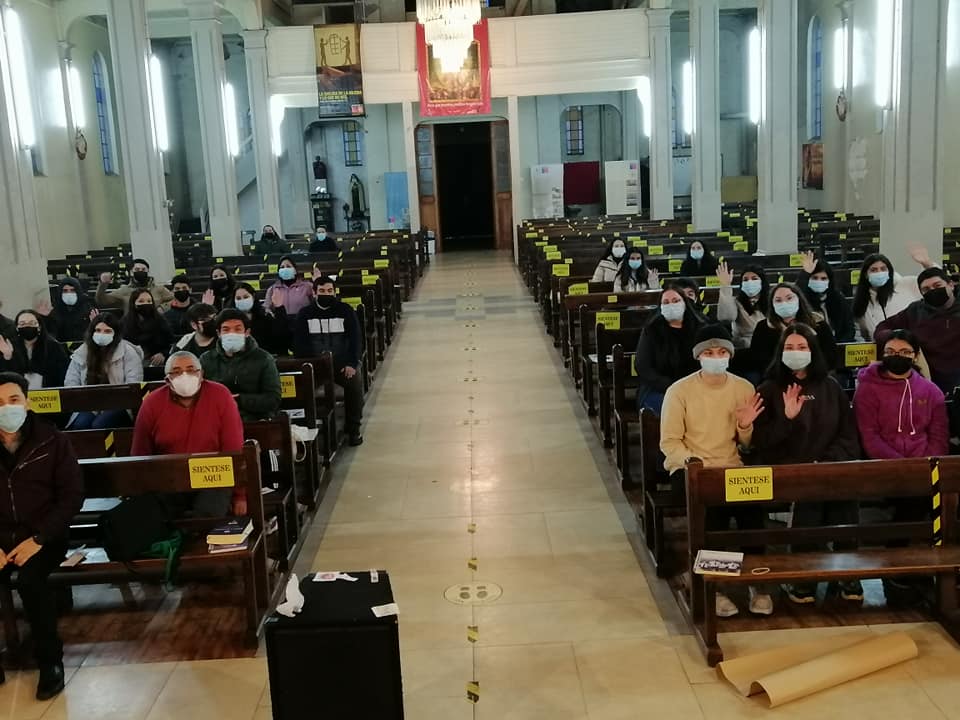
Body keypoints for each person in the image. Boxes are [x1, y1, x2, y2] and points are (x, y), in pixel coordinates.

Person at [660, 325, 771, 617]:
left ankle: (756, 582)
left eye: (722, 352)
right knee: (714, 516)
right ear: (698, 356)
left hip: (732, 467)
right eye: (709, 353)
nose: (716, 357)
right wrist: (695, 464)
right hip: (691, 468)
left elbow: (747, 444)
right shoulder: (679, 391)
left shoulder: (743, 388)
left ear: (730, 355)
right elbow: (669, 442)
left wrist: (745, 426)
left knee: (753, 514)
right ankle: (715, 586)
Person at [752, 323, 862, 604]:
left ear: (813, 351)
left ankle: (848, 572)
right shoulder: (768, 389)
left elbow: (848, 435)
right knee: (809, 500)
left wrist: (825, 462)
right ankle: (804, 578)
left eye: (802, 347)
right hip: (791, 471)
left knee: (844, 499)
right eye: (789, 347)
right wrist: (786, 421)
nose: (796, 352)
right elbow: (762, 442)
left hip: (829, 467)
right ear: (780, 352)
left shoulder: (831, 387)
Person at [0, 371, 83, 700]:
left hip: (45, 536)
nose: (6, 408)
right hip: (1, 538)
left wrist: (38, 539)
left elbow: (71, 497)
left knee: (31, 581)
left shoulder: (52, 441)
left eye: (13, 400)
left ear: (27, 402)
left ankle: (50, 663)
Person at [854, 329, 949, 600]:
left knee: (929, 497)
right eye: (891, 352)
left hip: (924, 465)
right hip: (884, 464)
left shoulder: (930, 391)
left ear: (915, 356)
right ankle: (902, 567)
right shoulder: (867, 389)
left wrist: (923, 464)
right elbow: (870, 437)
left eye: (905, 352)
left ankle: (921, 565)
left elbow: (939, 436)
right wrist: (902, 466)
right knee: (916, 500)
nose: (898, 356)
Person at [132, 352, 245, 517]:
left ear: (201, 374)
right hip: (169, 480)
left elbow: (234, 447)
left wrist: (240, 496)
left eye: (191, 370)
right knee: (155, 516)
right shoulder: (152, 403)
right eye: (176, 372)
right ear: (167, 380)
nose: (185, 375)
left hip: (213, 477)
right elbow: (140, 453)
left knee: (207, 515)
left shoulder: (220, 395)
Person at [294, 276, 364, 446]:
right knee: (299, 389)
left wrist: (352, 363)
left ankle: (353, 429)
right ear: (314, 293)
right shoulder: (305, 314)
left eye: (330, 290)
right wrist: (311, 364)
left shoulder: (345, 310)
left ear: (334, 292)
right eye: (322, 291)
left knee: (354, 383)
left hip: (341, 365)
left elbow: (355, 340)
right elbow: (300, 344)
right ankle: (307, 431)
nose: (326, 294)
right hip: (314, 366)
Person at [875, 267, 960, 394]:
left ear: (951, 285)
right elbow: (882, 327)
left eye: (937, 285)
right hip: (927, 381)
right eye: (926, 289)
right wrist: (897, 339)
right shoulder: (915, 311)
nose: (933, 291)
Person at [200, 309, 281, 422]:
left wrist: (240, 400)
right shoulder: (207, 359)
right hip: (217, 419)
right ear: (219, 334)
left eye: (237, 329)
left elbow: (273, 399)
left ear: (247, 332)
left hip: (255, 420)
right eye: (226, 330)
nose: (232, 333)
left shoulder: (264, 359)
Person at [64, 313, 143, 429]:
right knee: (80, 424)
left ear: (115, 333)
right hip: (88, 404)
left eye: (107, 331)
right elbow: (71, 381)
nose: (102, 334)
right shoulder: (82, 351)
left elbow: (133, 383)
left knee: (99, 425)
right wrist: (81, 401)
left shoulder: (128, 352)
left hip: (120, 404)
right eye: (98, 330)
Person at [634, 289, 705, 414]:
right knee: (675, 408)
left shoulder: (699, 328)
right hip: (658, 389)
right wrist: (671, 386)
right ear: (660, 307)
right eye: (666, 302)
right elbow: (642, 366)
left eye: (676, 301)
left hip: (694, 387)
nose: (671, 305)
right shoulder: (651, 330)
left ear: (684, 303)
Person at [745, 282, 837, 378]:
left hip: (815, 376)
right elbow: (759, 359)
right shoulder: (763, 327)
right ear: (772, 305)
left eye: (789, 298)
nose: (784, 303)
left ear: (799, 299)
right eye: (778, 300)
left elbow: (830, 355)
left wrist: (807, 372)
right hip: (777, 378)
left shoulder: (818, 323)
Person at [852, 252, 927, 342]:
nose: (879, 272)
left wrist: (927, 263)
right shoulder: (862, 302)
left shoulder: (907, 284)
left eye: (883, 269)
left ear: (889, 272)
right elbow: (862, 334)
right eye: (874, 270)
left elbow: (933, 282)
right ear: (866, 275)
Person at [0, 311, 70, 389]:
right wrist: (7, 357)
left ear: (39, 327)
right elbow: (6, 377)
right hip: (19, 392)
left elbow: (63, 374)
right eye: (22, 324)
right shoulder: (10, 346)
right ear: (16, 328)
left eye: (32, 323)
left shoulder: (53, 346)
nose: (27, 326)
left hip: (49, 393)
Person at [795, 251, 855, 342]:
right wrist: (805, 273)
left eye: (823, 278)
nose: (819, 281)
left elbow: (849, 329)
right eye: (815, 278)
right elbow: (798, 293)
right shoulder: (804, 300)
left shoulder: (838, 299)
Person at [716, 262, 769, 350]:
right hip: (744, 348)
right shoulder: (736, 302)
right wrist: (725, 286)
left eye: (754, 279)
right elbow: (726, 317)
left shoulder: (771, 300)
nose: (750, 282)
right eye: (745, 280)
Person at [96, 258, 174, 312]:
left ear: (148, 271)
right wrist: (103, 284)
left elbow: (175, 299)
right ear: (131, 272)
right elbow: (102, 300)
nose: (140, 271)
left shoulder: (159, 289)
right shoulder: (123, 291)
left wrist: (163, 308)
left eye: (143, 269)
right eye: (137, 269)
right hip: (132, 326)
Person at [121, 289, 174, 368]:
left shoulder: (160, 321)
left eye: (149, 301)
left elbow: (170, 343)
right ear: (134, 304)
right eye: (141, 301)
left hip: (157, 363)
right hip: (131, 362)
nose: (146, 304)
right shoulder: (124, 323)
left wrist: (163, 354)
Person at [233, 283, 289, 355]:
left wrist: (279, 308)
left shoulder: (265, 317)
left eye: (246, 297)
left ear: (253, 297)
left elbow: (281, 337)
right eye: (238, 298)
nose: (242, 300)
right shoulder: (230, 321)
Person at [36, 278, 96, 342]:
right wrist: (44, 318)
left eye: (72, 290)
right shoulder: (56, 310)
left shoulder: (88, 308)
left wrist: (94, 323)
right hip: (61, 346)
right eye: (65, 291)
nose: (69, 293)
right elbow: (50, 334)